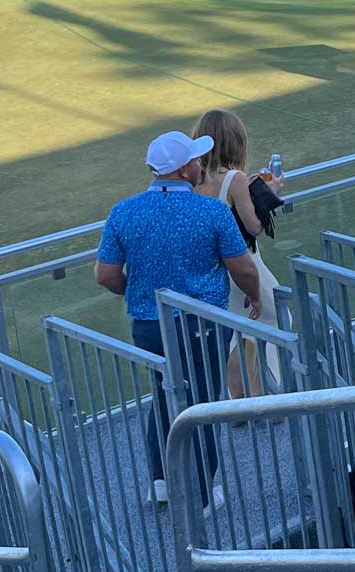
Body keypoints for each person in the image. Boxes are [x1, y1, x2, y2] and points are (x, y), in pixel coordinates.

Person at [94, 130, 262, 505]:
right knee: (201, 402)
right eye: (197, 160)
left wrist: (136, 293)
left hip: (148, 325)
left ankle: (161, 482)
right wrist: (253, 295)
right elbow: (244, 268)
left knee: (163, 395)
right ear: (185, 169)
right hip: (202, 325)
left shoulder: (123, 211)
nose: (202, 165)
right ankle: (201, 495)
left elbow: (105, 275)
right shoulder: (212, 212)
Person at [189, 109, 286, 397]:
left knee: (234, 333)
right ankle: (274, 394)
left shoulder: (192, 179)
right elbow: (253, 226)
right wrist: (268, 192)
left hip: (213, 270)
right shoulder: (234, 178)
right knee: (277, 320)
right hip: (244, 263)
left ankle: (239, 399)